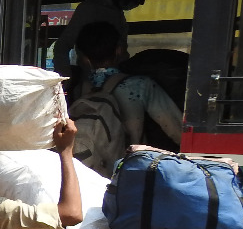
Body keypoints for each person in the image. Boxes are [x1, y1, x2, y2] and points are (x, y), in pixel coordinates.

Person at [74, 21, 184, 149]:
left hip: (88, 165)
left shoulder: (79, 90)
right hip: (129, 165)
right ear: (119, 50)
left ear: (84, 58)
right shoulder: (140, 85)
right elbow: (178, 132)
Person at [52, 0, 160, 77]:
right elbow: (62, 45)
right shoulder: (90, 9)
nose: (141, 2)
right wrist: (64, 78)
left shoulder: (117, 12)